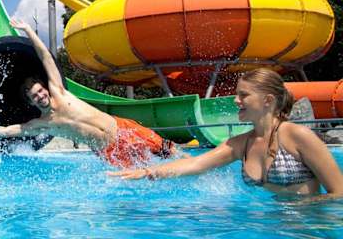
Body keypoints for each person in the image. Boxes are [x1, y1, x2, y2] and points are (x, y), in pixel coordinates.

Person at [109, 68, 343, 197]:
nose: (236, 100)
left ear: (268, 100)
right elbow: (196, 164)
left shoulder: (297, 136)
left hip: (310, 228)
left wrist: (302, 210)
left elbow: (339, 193)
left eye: (244, 95)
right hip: (270, 228)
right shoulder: (241, 144)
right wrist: (149, 171)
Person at [0, 19, 176, 168]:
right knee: (142, 176)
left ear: (45, 88)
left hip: (122, 129)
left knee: (170, 153)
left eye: (40, 90)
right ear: (31, 102)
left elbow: (46, 57)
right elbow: (9, 130)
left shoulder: (59, 91)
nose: (40, 96)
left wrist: (28, 30)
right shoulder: (44, 124)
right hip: (110, 151)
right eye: (35, 96)